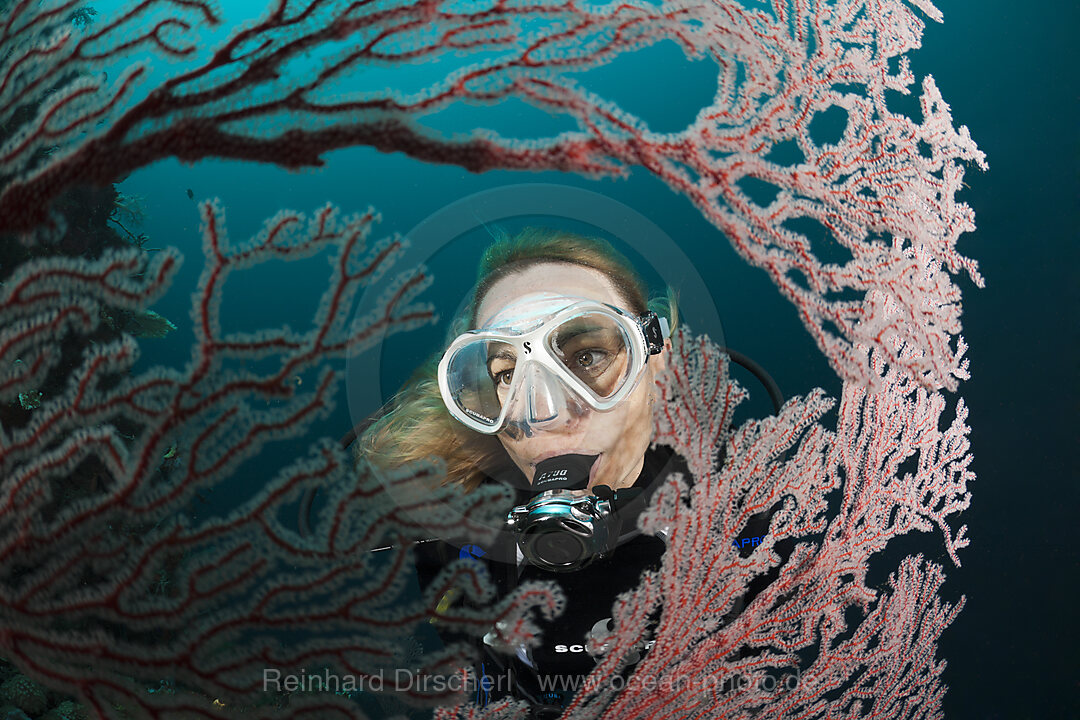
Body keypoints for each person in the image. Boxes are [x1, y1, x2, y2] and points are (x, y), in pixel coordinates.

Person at [355, 227, 781, 715]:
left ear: (656, 362)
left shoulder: (757, 502)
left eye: (587, 356)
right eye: (506, 374)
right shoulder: (458, 535)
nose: (545, 413)